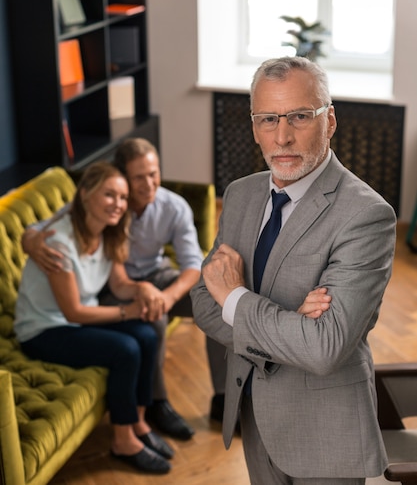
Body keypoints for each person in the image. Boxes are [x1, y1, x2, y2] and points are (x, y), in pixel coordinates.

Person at [190, 56, 397, 485]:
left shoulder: (367, 215)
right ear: (254, 126)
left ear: (330, 121)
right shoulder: (241, 195)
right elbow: (203, 304)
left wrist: (237, 298)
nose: (282, 136)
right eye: (268, 119)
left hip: (325, 435)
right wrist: (290, 328)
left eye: (300, 116)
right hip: (254, 419)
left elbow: (325, 349)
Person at [22, 139, 227, 440]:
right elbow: (45, 227)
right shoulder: (108, 202)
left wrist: (167, 296)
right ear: (122, 176)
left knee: (214, 303)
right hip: (113, 287)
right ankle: (158, 403)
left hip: (156, 276)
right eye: (139, 177)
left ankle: (222, 398)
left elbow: (193, 264)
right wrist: (30, 241)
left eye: (153, 174)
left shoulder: (172, 206)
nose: (148, 184)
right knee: (151, 317)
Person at [15, 161, 173, 474]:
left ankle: (139, 421)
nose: (118, 204)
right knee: (124, 349)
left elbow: (118, 284)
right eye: (109, 195)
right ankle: (122, 440)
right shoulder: (59, 242)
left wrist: (141, 288)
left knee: (146, 334)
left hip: (73, 322)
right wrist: (128, 310)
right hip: (44, 330)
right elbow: (74, 311)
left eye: (123, 197)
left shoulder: (109, 233)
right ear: (85, 194)